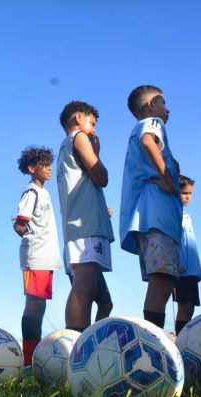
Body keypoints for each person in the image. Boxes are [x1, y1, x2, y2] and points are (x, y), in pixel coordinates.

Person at [119, 86, 182, 330]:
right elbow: (148, 141)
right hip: (157, 217)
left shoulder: (133, 133)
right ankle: (151, 341)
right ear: (150, 106)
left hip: (147, 219)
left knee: (162, 281)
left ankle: (152, 338)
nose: (167, 109)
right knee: (161, 280)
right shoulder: (153, 123)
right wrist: (167, 179)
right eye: (163, 103)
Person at [57, 101, 115, 332]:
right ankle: (76, 346)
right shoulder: (79, 137)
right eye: (92, 123)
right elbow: (101, 176)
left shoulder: (63, 148)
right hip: (86, 226)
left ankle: (83, 342)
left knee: (90, 290)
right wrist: (97, 152)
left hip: (77, 225)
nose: (94, 130)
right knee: (82, 288)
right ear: (78, 118)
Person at [13, 146, 62, 368]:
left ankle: (35, 355)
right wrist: (31, 235)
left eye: (50, 164)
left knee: (40, 304)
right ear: (33, 168)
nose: (49, 168)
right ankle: (28, 360)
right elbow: (19, 224)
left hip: (47, 257)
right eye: (44, 165)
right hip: (36, 256)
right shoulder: (31, 192)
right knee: (33, 304)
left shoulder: (45, 192)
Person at [173, 175, 201, 335]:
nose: (188, 197)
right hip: (181, 270)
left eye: (190, 194)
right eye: (184, 193)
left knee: (189, 307)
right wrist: (176, 263)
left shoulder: (186, 216)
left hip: (191, 271)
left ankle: (184, 338)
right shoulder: (173, 215)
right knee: (184, 306)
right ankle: (180, 340)